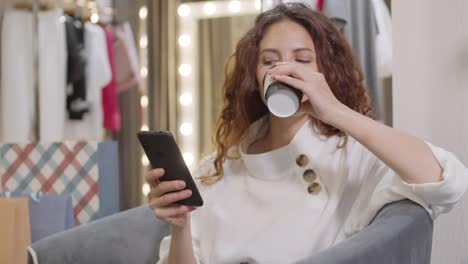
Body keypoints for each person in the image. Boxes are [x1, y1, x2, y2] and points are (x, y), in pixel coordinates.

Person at [146, 3, 468, 264]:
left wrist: (336, 111)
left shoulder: (348, 156)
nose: (285, 70)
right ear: (255, 79)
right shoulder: (216, 170)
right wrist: (180, 226)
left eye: (302, 59)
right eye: (269, 61)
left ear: (323, 72)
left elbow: (448, 181)